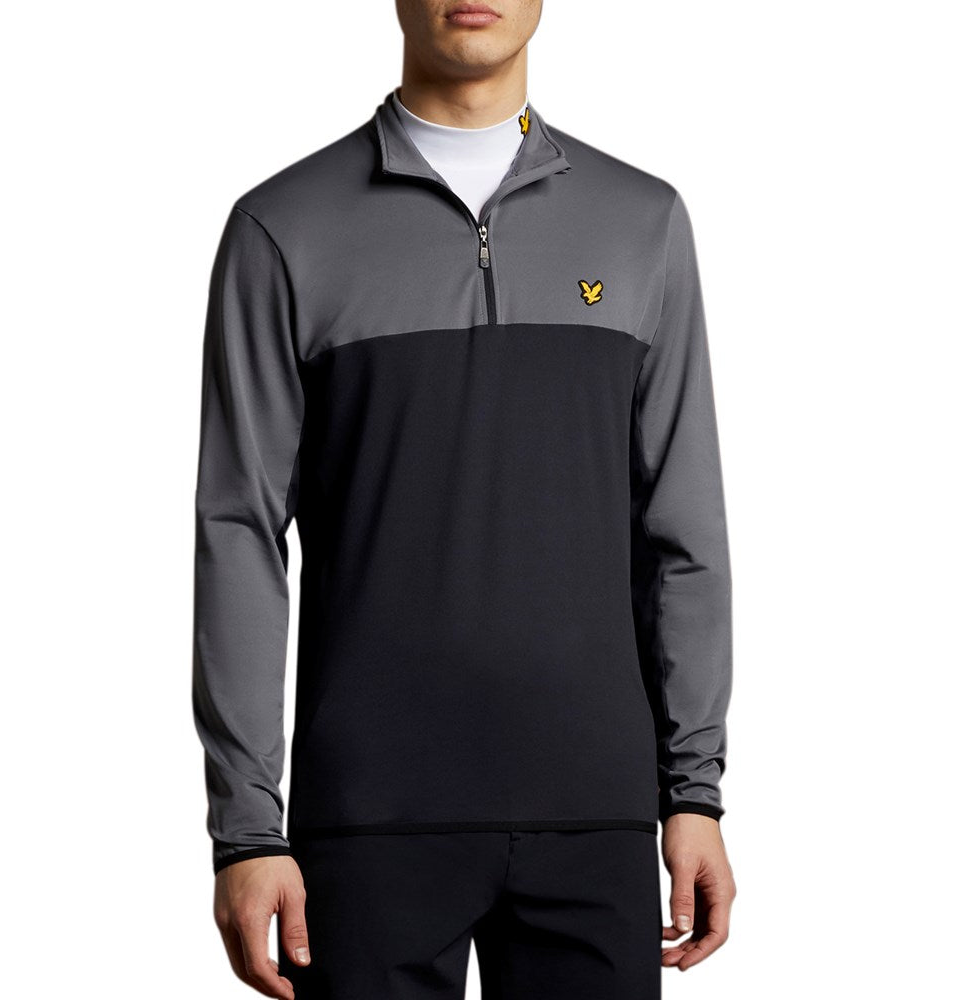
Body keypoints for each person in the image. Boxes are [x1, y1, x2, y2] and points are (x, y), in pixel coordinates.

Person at [191, 2, 737, 997]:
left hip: (595, 813)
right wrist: (246, 830)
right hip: (367, 819)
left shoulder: (641, 220)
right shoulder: (284, 226)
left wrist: (692, 792)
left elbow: (682, 528)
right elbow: (238, 533)